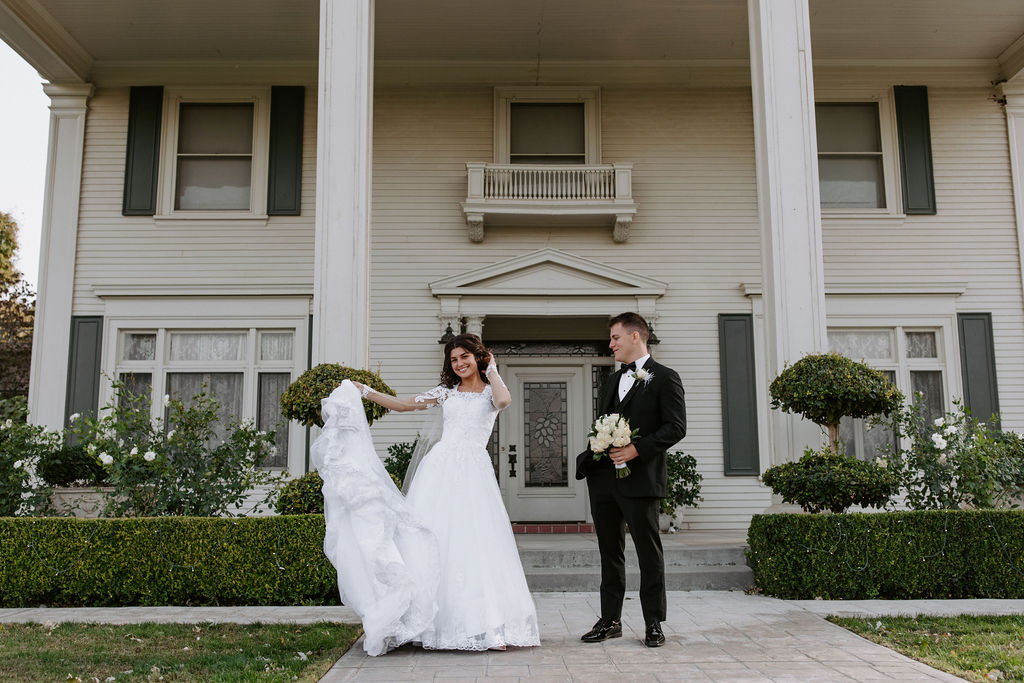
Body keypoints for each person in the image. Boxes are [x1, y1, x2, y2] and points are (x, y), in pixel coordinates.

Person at [327, 333, 540, 654]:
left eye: (465, 357)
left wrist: (492, 369)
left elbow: (503, 401)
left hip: (472, 472)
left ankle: (484, 624)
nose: (459, 364)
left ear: (478, 357)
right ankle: (424, 623)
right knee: (429, 540)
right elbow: (403, 405)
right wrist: (364, 390)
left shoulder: (489, 392)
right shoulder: (445, 393)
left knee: (475, 542)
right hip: (439, 469)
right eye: (454, 359)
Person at [575, 312, 686, 648]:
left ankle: (654, 623)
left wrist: (637, 450)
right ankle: (610, 621)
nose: (610, 344)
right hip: (604, 481)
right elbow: (604, 422)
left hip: (641, 480)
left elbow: (676, 427)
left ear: (635, 337)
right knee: (610, 553)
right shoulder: (611, 380)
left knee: (649, 553)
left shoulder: (665, 378)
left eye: (615, 338)